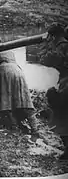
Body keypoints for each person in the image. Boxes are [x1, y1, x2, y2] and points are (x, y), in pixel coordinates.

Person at [0, 51, 40, 134]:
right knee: (25, 99)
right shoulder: (8, 50)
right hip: (18, 71)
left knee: (6, 101)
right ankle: (34, 128)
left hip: (5, 72)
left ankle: (14, 126)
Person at [44, 23, 68, 159]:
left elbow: (46, 60)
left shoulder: (61, 46)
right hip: (65, 80)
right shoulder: (65, 44)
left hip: (66, 82)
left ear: (52, 36)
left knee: (62, 115)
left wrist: (47, 46)